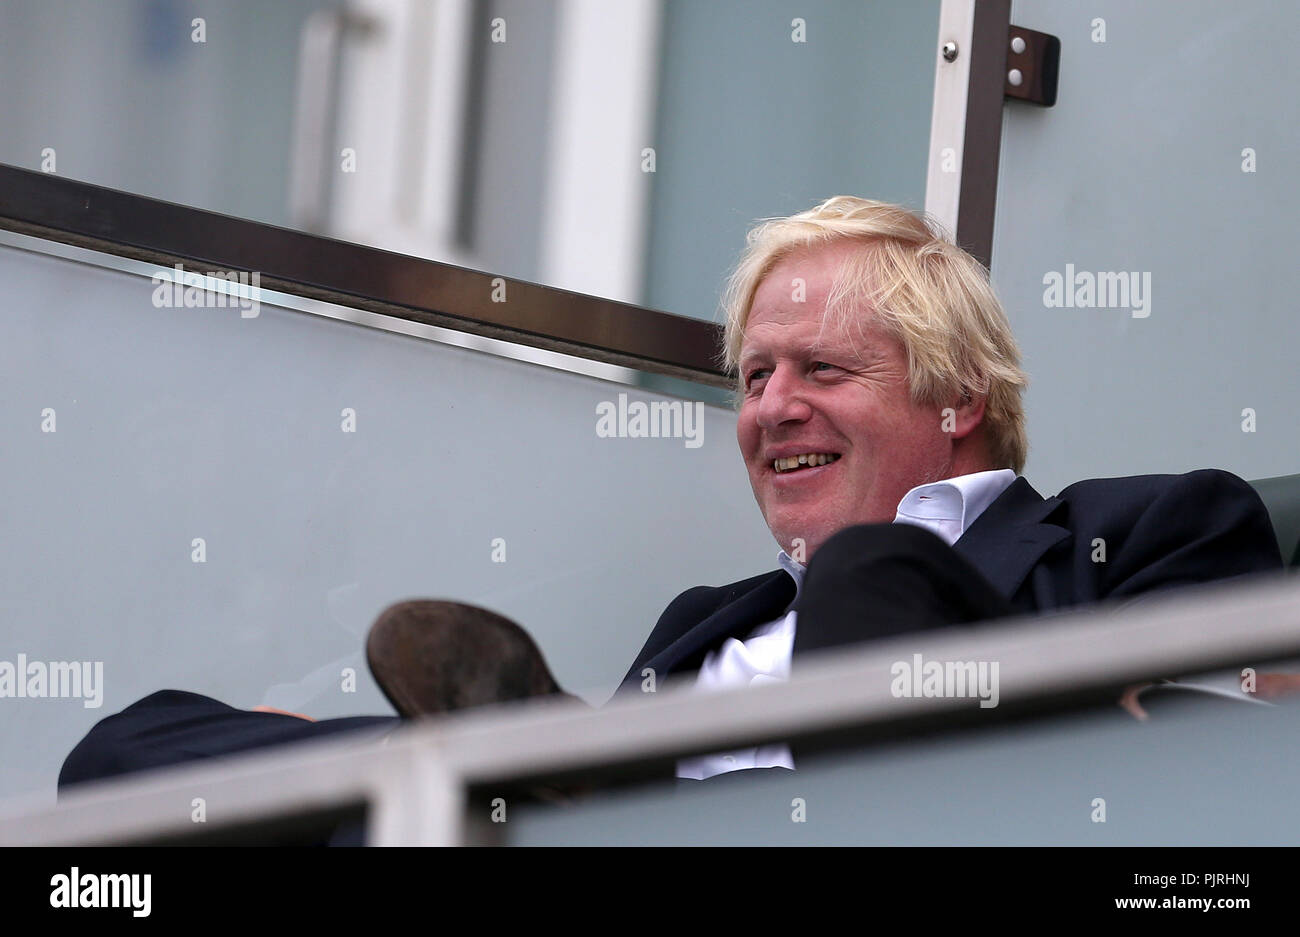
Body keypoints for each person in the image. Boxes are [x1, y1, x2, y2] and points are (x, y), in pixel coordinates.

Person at [60, 197, 1285, 792]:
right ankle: (544, 762)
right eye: (753, 378)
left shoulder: (1144, 527)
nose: (768, 407)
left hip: (934, 805)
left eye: (821, 369)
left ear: (958, 392)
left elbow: (1223, 777)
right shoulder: (711, 617)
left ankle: (555, 762)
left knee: (875, 571)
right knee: (133, 744)